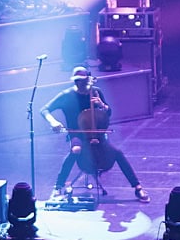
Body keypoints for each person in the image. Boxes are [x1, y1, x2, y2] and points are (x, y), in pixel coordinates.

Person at [40, 65, 150, 202]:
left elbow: (108, 113)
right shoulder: (66, 95)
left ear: (88, 80)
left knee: (117, 153)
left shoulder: (96, 92)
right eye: (77, 81)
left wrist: (102, 105)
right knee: (76, 150)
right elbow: (44, 109)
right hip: (77, 134)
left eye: (83, 81)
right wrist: (53, 122)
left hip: (98, 134)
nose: (80, 84)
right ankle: (58, 187)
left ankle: (137, 187)